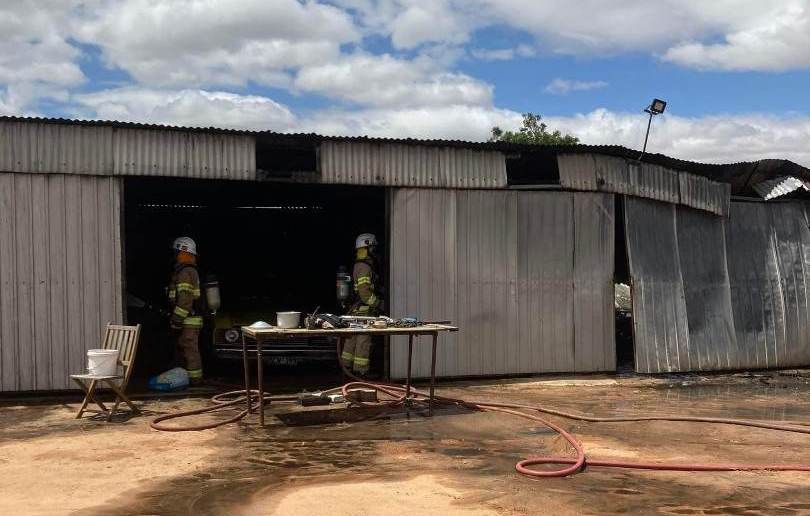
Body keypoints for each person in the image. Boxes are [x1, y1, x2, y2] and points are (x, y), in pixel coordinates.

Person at [341, 233, 382, 376]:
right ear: (367, 248)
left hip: (355, 310)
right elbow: (365, 293)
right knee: (363, 341)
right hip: (363, 310)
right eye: (373, 248)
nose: (375, 251)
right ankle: (361, 372)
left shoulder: (359, 265)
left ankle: (346, 368)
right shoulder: (365, 267)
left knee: (351, 339)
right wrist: (378, 303)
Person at [168, 236, 204, 383]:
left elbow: (185, 301)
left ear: (183, 252)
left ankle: (195, 381)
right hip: (190, 319)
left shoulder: (185, 272)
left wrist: (176, 321)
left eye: (177, 252)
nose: (175, 255)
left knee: (189, 350)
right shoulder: (188, 270)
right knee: (188, 349)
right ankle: (190, 379)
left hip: (189, 320)